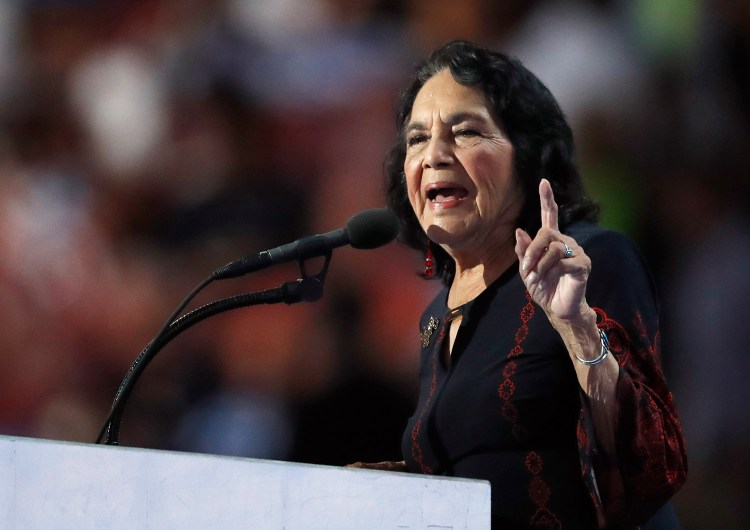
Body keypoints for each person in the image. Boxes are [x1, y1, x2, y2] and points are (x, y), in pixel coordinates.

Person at [348, 41, 687, 529]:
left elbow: (653, 466)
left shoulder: (588, 261)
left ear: (528, 157)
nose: (435, 155)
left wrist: (578, 329)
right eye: (417, 139)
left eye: (466, 132)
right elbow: (490, 465)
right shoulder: (436, 316)